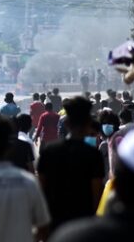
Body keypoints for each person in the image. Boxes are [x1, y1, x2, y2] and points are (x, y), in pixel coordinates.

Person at [37, 96, 105, 232]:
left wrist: (42, 228)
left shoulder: (49, 152)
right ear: (88, 123)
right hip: (84, 224)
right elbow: (97, 193)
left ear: (66, 123)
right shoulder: (93, 154)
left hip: (54, 221)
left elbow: (41, 191)